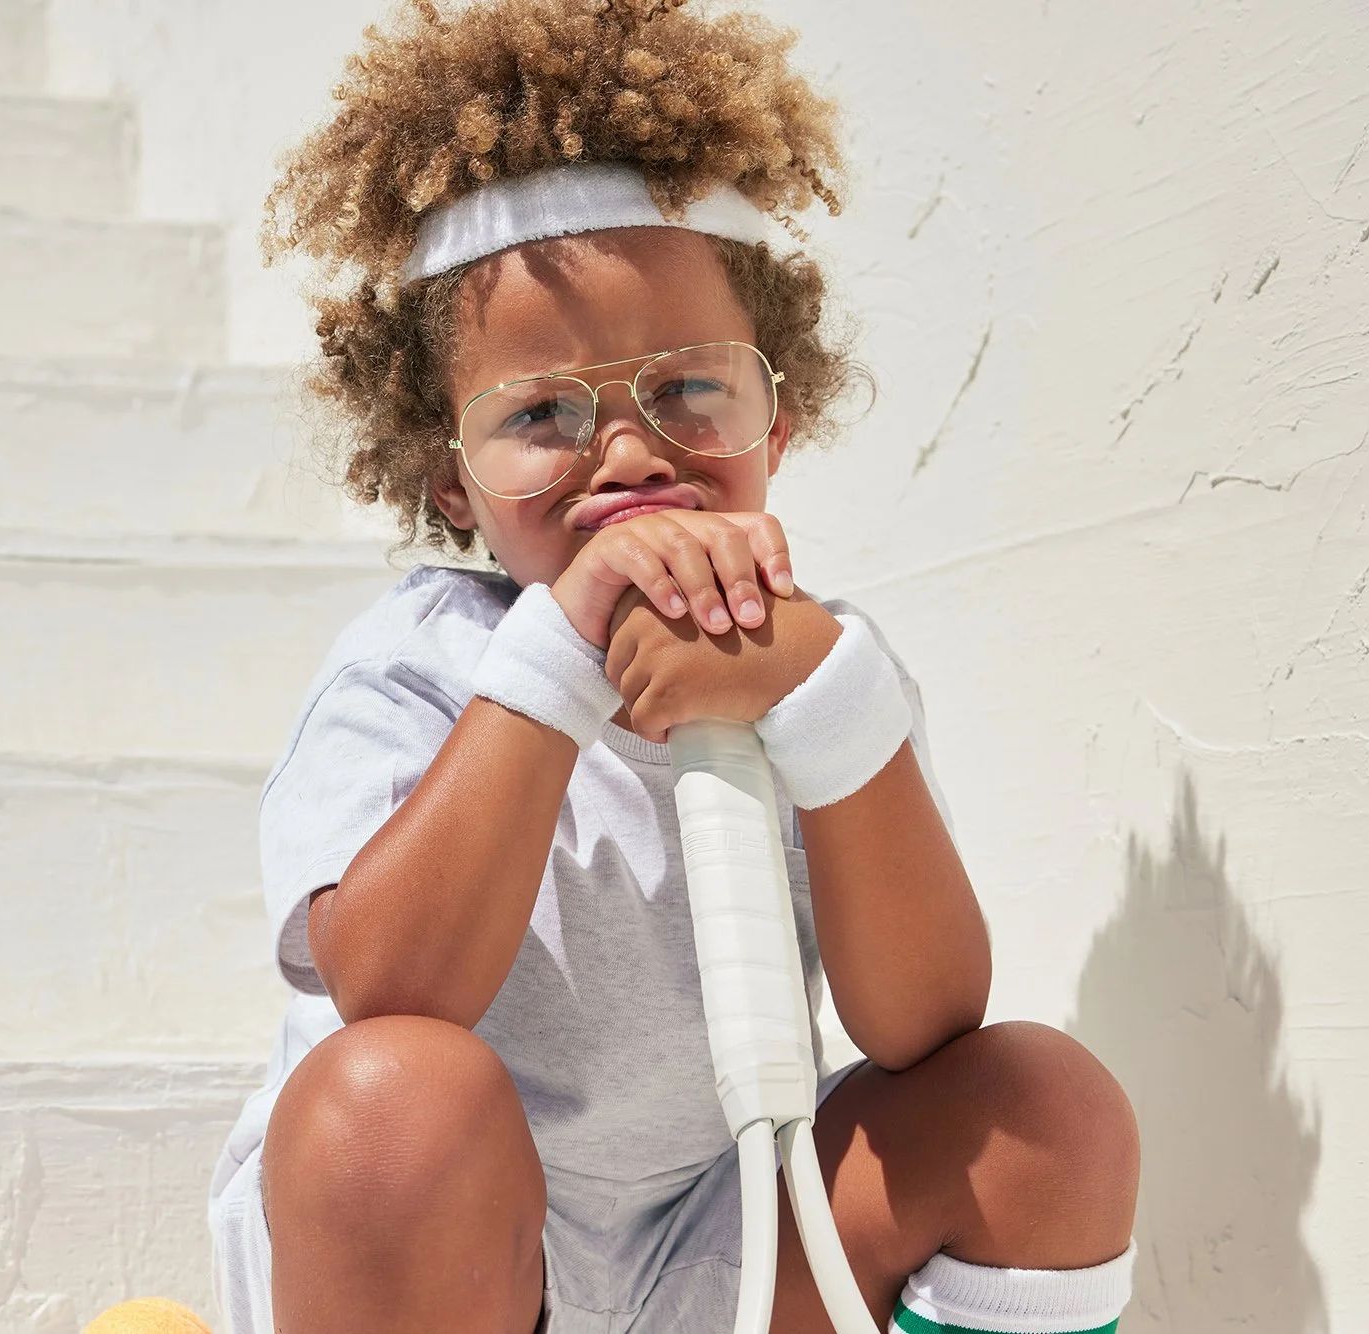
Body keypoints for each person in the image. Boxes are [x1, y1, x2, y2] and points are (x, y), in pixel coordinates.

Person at [206, 3, 1140, 1331]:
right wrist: (556, 665)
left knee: (1044, 1109)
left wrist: (831, 704)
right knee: (388, 1099)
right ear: (451, 483)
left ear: (777, 420)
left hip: (732, 1236)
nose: (633, 453)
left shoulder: (820, 664)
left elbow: (926, 1021)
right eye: (542, 413)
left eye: (692, 391)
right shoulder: (415, 663)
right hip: (444, 1262)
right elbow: (392, 991)